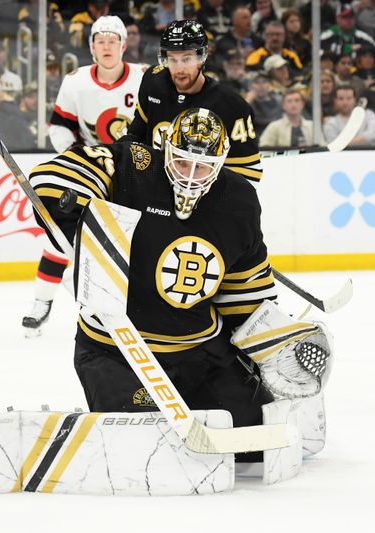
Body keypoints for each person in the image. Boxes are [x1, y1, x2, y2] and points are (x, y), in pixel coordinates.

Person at [28, 107, 278, 451]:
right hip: (115, 351)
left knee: (257, 443)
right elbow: (53, 175)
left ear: (220, 164)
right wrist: (71, 208)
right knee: (148, 451)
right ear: (166, 151)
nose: (190, 176)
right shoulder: (136, 162)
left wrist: (272, 346)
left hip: (201, 354)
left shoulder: (239, 200)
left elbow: (245, 295)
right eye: (181, 162)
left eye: (202, 166)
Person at [21, 15, 145, 337]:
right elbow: (60, 126)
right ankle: (41, 302)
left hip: (134, 169)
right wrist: (74, 153)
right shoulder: (76, 81)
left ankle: (132, 306)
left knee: (137, 239)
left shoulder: (144, 78)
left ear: (123, 45)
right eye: (100, 41)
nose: (106, 46)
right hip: (89, 168)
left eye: (112, 40)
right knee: (63, 235)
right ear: (91, 47)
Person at [125, 20, 262, 183]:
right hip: (151, 189)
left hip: (201, 197)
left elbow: (247, 173)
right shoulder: (153, 80)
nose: (179, 69)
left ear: (202, 57)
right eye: (172, 59)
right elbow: (136, 134)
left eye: (187, 59)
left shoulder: (232, 106)